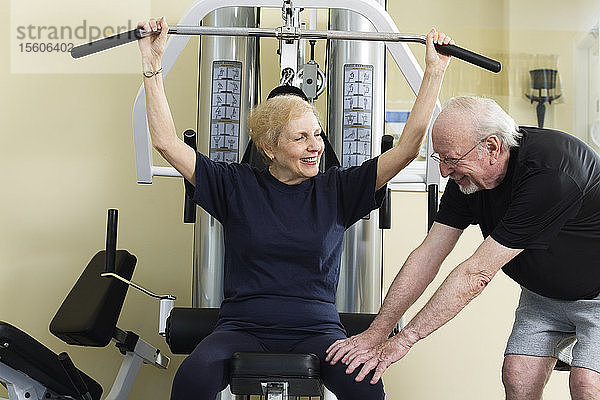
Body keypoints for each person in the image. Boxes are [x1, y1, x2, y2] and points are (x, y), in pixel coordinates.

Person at [138, 16, 452, 399]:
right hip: (241, 327)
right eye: (301, 137)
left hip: (318, 330)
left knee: (365, 389)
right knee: (193, 378)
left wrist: (434, 71)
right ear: (269, 148)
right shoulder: (236, 185)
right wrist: (152, 65)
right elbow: (168, 143)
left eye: (317, 134)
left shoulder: (337, 189)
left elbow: (405, 152)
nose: (316, 145)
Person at [325, 96, 600, 399]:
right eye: (439, 159)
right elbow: (428, 255)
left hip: (598, 295)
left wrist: (403, 341)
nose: (444, 172)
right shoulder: (467, 180)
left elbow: (476, 274)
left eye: (452, 160)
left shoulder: (550, 175)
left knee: (587, 384)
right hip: (543, 296)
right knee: (518, 376)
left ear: (492, 147)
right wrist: (378, 331)